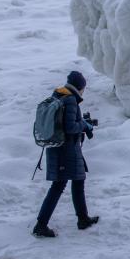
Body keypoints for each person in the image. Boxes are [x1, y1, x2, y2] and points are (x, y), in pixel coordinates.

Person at [32, 71, 99, 238]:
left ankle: (83, 218)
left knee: (78, 180)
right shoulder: (70, 100)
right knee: (58, 186)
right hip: (66, 150)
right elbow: (70, 128)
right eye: (83, 88)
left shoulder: (59, 95)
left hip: (60, 148)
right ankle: (41, 225)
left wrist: (81, 123)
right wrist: (84, 126)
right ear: (80, 87)